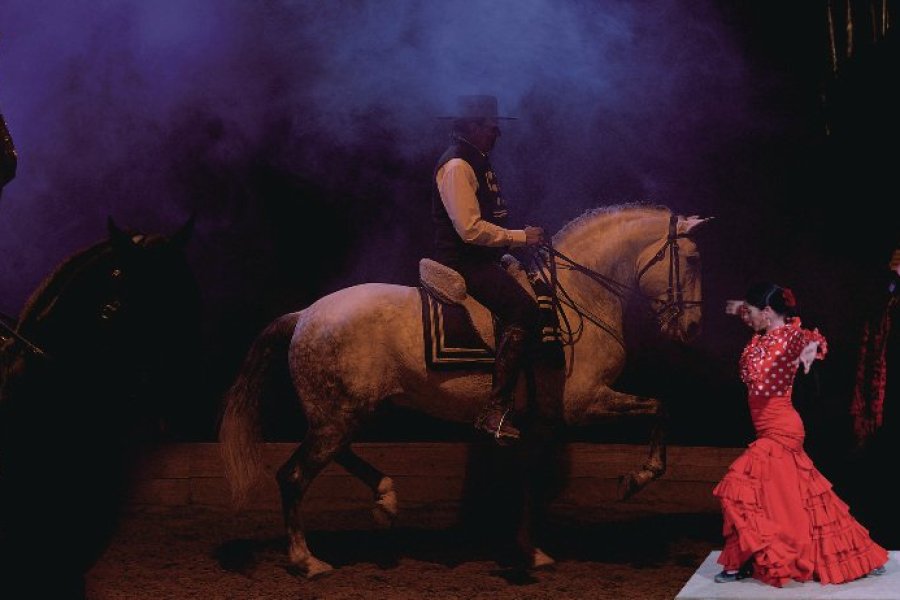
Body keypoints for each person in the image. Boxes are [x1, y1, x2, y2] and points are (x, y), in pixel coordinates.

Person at [713, 282, 888, 586]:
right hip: (769, 427)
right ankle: (859, 554)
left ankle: (741, 562)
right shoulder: (763, 336)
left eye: (751, 313)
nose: (747, 318)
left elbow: (813, 340)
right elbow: (752, 318)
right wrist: (741, 304)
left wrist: (809, 350)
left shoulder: (790, 336)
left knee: (739, 487)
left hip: (780, 429)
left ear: (767, 313)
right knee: (806, 497)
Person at [431, 94, 544, 444]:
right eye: (491, 126)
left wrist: (510, 248)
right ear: (472, 126)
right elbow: (470, 229)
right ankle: (494, 409)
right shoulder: (457, 166)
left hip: (482, 258)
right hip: (462, 261)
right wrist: (520, 238)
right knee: (523, 310)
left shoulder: (478, 160)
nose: (498, 132)